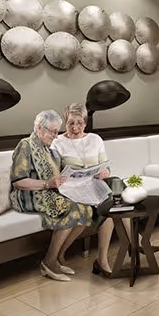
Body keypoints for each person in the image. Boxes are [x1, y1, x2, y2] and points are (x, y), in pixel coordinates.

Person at [10, 110, 92, 281]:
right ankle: (48, 262)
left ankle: (58, 257)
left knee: (86, 209)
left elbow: (63, 174)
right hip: (27, 194)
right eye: (52, 131)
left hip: (51, 191)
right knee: (68, 207)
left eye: (57, 132)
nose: (55, 136)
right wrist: (47, 184)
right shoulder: (25, 145)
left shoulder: (51, 151)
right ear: (39, 128)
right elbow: (18, 181)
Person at [51, 103, 115, 278]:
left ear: (85, 123)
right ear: (65, 123)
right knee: (84, 213)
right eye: (71, 123)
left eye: (79, 123)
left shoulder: (95, 139)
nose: (75, 127)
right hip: (69, 188)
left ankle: (102, 261)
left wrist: (104, 173)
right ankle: (60, 255)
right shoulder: (57, 143)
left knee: (109, 214)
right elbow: (53, 171)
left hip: (93, 184)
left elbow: (106, 166)